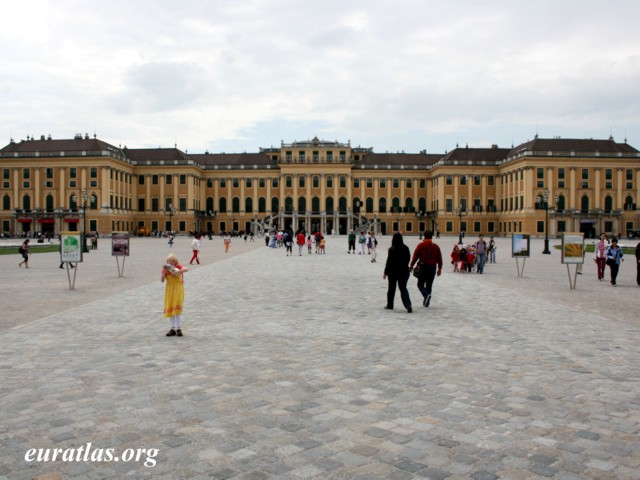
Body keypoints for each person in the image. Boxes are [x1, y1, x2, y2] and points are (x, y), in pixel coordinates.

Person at [410, 230, 443, 307]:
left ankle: (426, 295)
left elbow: (415, 256)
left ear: (424, 236)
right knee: (429, 284)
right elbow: (439, 258)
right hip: (432, 267)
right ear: (432, 236)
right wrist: (440, 268)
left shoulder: (421, 245)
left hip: (423, 267)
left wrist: (411, 265)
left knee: (420, 284)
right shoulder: (436, 246)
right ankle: (427, 301)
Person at [383, 232, 412, 313]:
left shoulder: (392, 249)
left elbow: (389, 262)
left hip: (393, 272)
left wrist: (385, 272)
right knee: (403, 288)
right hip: (404, 271)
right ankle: (408, 305)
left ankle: (390, 305)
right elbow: (408, 259)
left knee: (391, 289)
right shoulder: (406, 248)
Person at [161, 253, 189, 337]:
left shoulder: (178, 266)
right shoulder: (166, 268)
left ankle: (178, 328)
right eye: (169, 261)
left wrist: (178, 271)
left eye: (172, 261)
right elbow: (162, 280)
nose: (171, 262)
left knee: (177, 307)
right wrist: (164, 273)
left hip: (178, 288)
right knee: (171, 307)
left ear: (175, 261)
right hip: (169, 289)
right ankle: (173, 328)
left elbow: (186, 269)